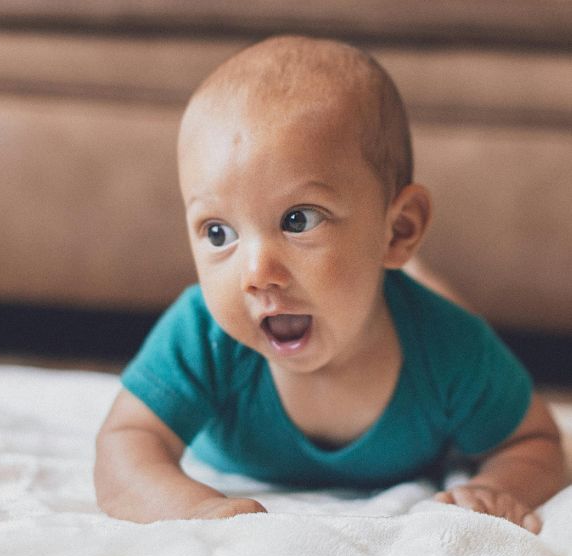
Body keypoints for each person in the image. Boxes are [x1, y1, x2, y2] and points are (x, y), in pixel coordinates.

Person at [94, 35, 567, 530]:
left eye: (298, 220)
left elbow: (533, 442)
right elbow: (125, 442)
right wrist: (193, 508)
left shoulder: (449, 346)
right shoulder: (201, 334)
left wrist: (500, 487)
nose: (256, 274)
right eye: (219, 233)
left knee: (426, 299)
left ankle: (412, 272)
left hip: (409, 300)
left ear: (399, 228)